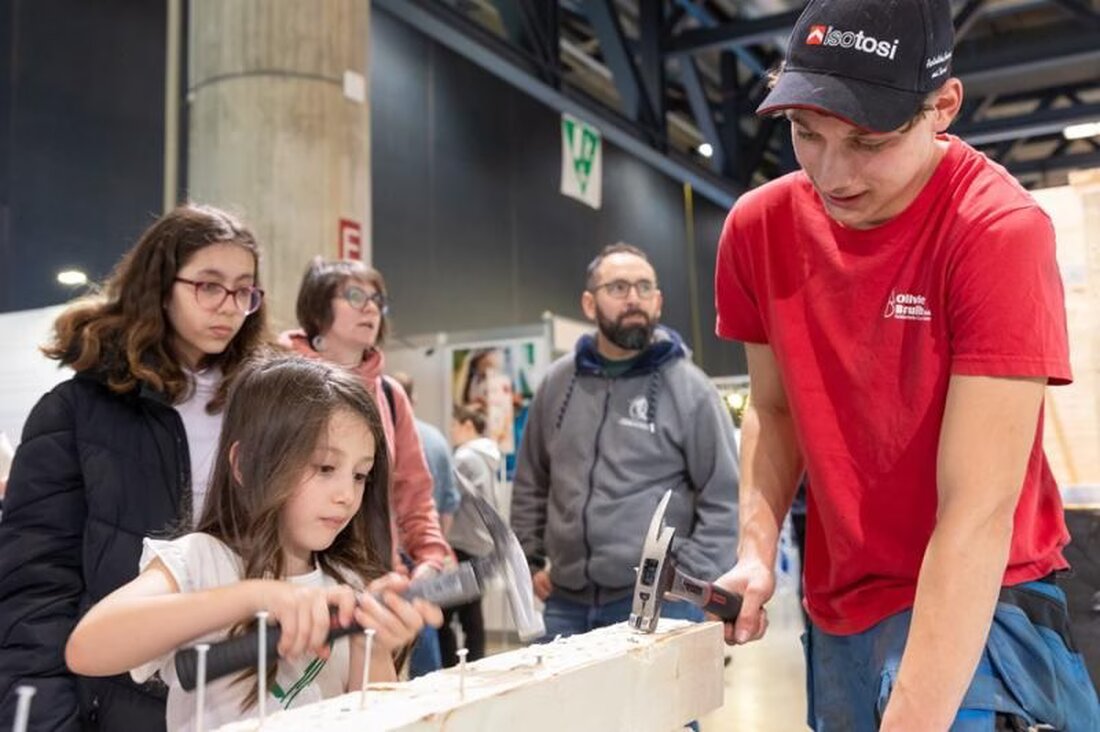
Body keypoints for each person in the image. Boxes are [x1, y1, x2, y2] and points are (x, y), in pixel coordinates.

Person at [712, 0, 1100, 729]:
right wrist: (756, 553)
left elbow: (977, 512)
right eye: (806, 134)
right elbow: (773, 408)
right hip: (841, 608)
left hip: (983, 599)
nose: (833, 173)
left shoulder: (996, 231)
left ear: (942, 106)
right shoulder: (757, 229)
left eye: (867, 141)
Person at [0, 204, 271, 731]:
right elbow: (34, 590)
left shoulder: (263, 408)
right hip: (117, 703)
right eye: (209, 285)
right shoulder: (75, 412)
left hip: (245, 692)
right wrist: (44, 719)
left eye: (244, 290)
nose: (229, 307)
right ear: (159, 285)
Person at [64, 356, 442, 731]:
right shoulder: (202, 561)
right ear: (244, 464)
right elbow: (87, 648)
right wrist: (254, 596)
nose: (346, 494)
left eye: (360, 475)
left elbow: (377, 722)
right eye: (325, 468)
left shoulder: (350, 584)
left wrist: (372, 646)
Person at [511, 243, 739, 638]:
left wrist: (690, 577)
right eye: (618, 288)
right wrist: (527, 561)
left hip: (659, 605)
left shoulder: (691, 389)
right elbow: (532, 481)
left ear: (659, 302)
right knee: (569, 703)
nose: (633, 298)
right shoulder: (556, 384)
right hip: (565, 603)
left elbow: (725, 496)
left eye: (644, 287)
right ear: (588, 303)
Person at [284, 259, 452, 578]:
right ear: (318, 308)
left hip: (376, 577)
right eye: (355, 297)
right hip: (295, 578)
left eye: (377, 301)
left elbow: (414, 491)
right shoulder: (281, 382)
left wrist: (430, 556)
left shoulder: (389, 394)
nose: (370, 309)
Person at [391, 371, 460, 678]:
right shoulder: (435, 438)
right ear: (413, 399)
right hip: (422, 557)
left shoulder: (380, 430)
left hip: (387, 555)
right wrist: (436, 551)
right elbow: (446, 502)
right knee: (427, 640)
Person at [439, 404, 502, 666]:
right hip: (481, 542)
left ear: (467, 426)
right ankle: (476, 665)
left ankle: (451, 668)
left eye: (455, 426)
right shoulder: (487, 458)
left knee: (441, 615)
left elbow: (449, 498)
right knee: (472, 611)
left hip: (462, 542)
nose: (452, 431)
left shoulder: (465, 458)